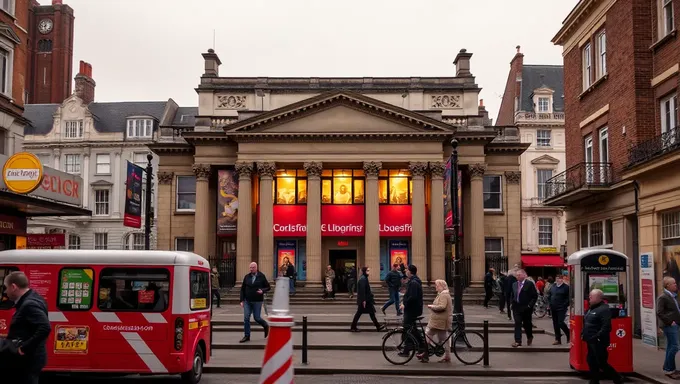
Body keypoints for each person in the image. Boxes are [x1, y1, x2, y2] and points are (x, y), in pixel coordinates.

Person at [1, 271, 51, 384]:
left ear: (13, 287)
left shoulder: (29, 304)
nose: (5, 291)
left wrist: (24, 348)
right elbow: (29, 328)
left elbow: (44, 327)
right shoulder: (34, 297)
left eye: (6, 288)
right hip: (32, 358)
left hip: (28, 360)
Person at [583, 289, 623, 384]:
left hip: (598, 341)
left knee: (601, 363)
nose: (589, 298)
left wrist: (597, 336)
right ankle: (594, 380)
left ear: (598, 298)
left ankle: (617, 377)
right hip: (590, 340)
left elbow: (606, 327)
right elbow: (588, 322)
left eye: (591, 296)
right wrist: (583, 333)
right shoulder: (592, 308)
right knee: (591, 360)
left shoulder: (604, 309)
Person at [417, 279, 452, 363]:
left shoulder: (443, 295)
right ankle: (446, 356)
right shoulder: (442, 294)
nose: (436, 287)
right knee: (444, 338)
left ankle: (426, 353)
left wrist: (432, 306)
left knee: (428, 334)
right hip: (440, 320)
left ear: (442, 286)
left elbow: (442, 306)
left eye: (437, 285)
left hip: (439, 321)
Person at [239, 262, 270, 343]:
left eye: (253, 267)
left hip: (257, 301)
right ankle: (247, 336)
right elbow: (242, 289)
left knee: (257, 318)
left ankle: (265, 325)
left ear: (256, 267)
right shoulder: (247, 277)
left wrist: (262, 291)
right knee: (246, 318)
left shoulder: (261, 276)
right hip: (247, 301)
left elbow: (268, 287)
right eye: (250, 267)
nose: (251, 269)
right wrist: (241, 300)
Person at [657, 276, 680, 379]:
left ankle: (668, 368)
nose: (676, 285)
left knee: (670, 346)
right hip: (669, 325)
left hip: (675, 324)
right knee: (675, 346)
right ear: (668, 285)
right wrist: (670, 322)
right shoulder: (663, 297)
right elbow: (659, 312)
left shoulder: (673, 296)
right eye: (674, 283)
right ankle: (669, 369)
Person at [350, 267, 385, 332]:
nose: (369, 272)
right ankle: (353, 327)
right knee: (361, 313)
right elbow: (362, 291)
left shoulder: (364, 278)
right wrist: (363, 300)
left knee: (370, 313)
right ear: (364, 271)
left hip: (366, 300)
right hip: (365, 300)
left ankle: (378, 326)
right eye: (367, 271)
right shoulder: (363, 279)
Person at [400, 265, 424, 356]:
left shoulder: (414, 282)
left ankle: (413, 347)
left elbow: (413, 297)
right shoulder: (414, 281)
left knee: (407, 328)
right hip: (413, 309)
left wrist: (404, 304)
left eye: (407, 270)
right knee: (411, 329)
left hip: (411, 310)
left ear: (410, 272)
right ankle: (417, 346)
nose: (406, 271)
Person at [511, 269, 538, 348]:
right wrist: (511, 303)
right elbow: (512, 294)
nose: (517, 276)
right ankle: (517, 341)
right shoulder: (514, 284)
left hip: (526, 308)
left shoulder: (529, 284)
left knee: (527, 324)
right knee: (517, 323)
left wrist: (530, 306)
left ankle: (530, 336)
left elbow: (534, 296)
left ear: (524, 275)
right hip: (516, 307)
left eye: (519, 275)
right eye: (517, 275)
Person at [547, 274, 570, 345]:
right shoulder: (553, 286)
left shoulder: (566, 287)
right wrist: (550, 303)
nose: (558, 280)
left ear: (562, 279)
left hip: (561, 308)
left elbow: (569, 297)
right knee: (555, 323)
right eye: (557, 278)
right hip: (553, 307)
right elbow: (549, 295)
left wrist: (564, 304)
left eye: (559, 279)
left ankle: (568, 334)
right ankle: (557, 339)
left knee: (560, 322)